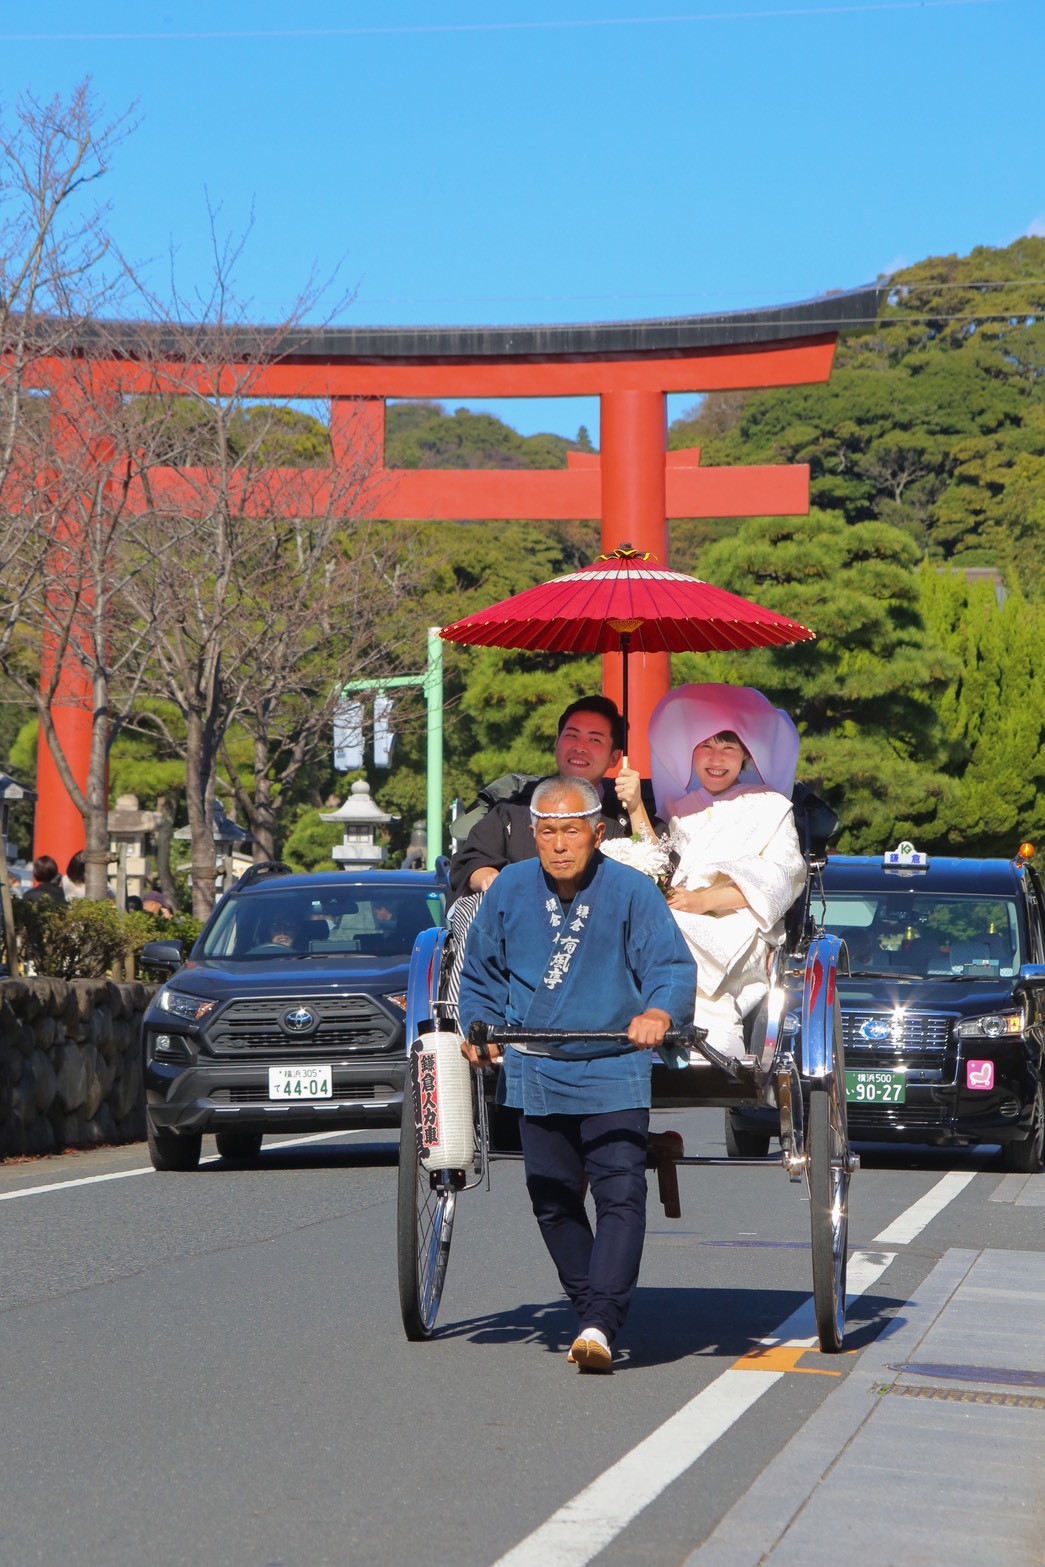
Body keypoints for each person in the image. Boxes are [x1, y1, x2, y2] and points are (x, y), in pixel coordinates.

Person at [457, 776, 697, 1373]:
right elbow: (481, 976)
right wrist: (480, 1029)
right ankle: (594, 1308)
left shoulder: (631, 891)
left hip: (615, 1062)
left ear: (597, 832)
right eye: (547, 832)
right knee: (553, 1198)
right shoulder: (509, 888)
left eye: (571, 830)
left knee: (620, 1191)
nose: (560, 844)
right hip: (535, 1064)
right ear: (532, 835)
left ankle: (598, 1322)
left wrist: (658, 1012)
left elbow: (670, 964)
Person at [617, 683, 806, 1060]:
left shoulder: (771, 806)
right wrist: (636, 805)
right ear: (693, 752)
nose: (716, 757)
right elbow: (659, 864)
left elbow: (782, 878)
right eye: (706, 745)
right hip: (680, 908)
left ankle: (710, 1035)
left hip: (743, 923)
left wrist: (705, 900)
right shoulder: (682, 809)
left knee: (669, 936)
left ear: (745, 757)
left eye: (728, 747)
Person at [448, 696, 639, 903]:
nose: (580, 747)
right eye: (571, 735)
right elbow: (471, 861)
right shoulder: (514, 809)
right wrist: (489, 878)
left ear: (615, 757)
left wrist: (636, 807)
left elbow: (658, 868)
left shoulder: (624, 813)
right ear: (557, 743)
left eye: (594, 739)